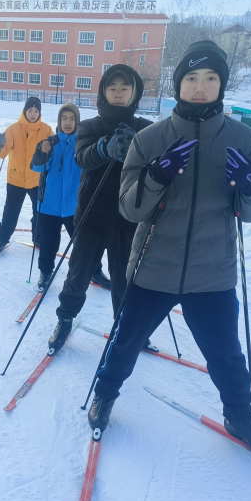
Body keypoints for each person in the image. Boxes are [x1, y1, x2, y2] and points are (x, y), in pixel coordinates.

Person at [87, 40, 251, 458]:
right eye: (191, 78)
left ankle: (240, 416)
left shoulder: (243, 139)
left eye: (210, 78)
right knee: (125, 342)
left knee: (227, 355)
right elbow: (130, 208)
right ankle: (104, 395)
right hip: (154, 267)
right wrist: (157, 174)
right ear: (179, 85)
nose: (200, 86)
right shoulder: (151, 139)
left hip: (213, 271)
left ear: (221, 84)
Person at [47, 64, 153, 353]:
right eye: (113, 88)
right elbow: (82, 157)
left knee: (125, 280)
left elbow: (158, 165)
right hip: (92, 217)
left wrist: (141, 152)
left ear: (135, 93)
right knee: (78, 276)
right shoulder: (90, 126)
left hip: (128, 220)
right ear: (104, 92)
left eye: (125, 88)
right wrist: (105, 148)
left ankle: (127, 328)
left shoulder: (145, 128)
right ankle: (65, 319)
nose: (118, 94)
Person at [30, 104, 108, 291]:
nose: (68, 123)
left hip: (76, 205)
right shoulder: (50, 142)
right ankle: (45, 272)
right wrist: (42, 152)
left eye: (72, 119)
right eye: (64, 118)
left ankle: (95, 272)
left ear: (77, 121)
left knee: (85, 243)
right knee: (48, 243)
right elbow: (36, 167)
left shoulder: (83, 143)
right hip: (49, 204)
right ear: (59, 121)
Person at [0, 96, 53, 255]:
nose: (33, 114)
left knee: (39, 212)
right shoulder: (13, 129)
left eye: (36, 111)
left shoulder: (46, 130)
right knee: (11, 212)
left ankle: (38, 238)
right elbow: (1, 154)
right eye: (30, 110)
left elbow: (53, 152)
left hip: (36, 179)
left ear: (39, 112)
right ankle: (3, 239)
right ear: (24, 111)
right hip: (16, 179)